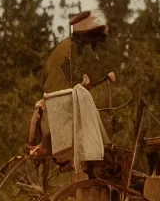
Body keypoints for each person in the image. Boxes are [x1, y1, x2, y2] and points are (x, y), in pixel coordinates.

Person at [28, 11, 115, 158]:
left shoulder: (68, 47)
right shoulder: (69, 50)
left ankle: (101, 147)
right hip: (57, 101)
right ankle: (101, 148)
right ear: (84, 36)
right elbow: (62, 83)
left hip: (55, 97)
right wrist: (82, 84)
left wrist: (82, 82)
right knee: (90, 108)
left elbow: (68, 80)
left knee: (88, 104)